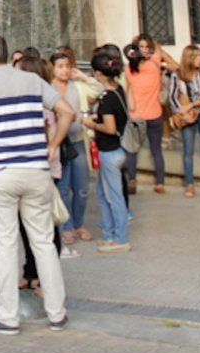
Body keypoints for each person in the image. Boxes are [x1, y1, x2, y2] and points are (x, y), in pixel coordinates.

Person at [0, 34, 72, 335]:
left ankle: (8, 317)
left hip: (1, 173)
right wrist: (54, 145)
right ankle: (57, 313)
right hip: (37, 172)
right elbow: (67, 112)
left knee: (5, 244)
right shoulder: (32, 81)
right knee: (43, 243)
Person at [83, 51, 130, 252]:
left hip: (110, 151)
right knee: (103, 193)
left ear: (98, 74)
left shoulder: (109, 98)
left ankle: (121, 239)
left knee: (114, 196)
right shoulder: (118, 90)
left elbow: (110, 128)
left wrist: (90, 124)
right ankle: (109, 234)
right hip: (112, 150)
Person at [124, 35, 177, 194]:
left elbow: (127, 89)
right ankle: (159, 183)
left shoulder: (129, 67)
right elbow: (175, 66)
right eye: (142, 47)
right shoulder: (155, 61)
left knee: (133, 151)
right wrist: (158, 49)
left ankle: (132, 180)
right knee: (155, 150)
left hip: (139, 115)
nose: (145, 50)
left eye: (147, 47)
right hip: (151, 114)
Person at [51, 52, 92, 247]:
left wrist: (83, 76)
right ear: (52, 68)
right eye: (60, 66)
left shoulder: (77, 86)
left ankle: (78, 223)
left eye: (67, 65)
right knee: (63, 188)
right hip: (59, 144)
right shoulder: (49, 89)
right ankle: (66, 227)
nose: (65, 70)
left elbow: (98, 89)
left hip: (77, 141)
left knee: (82, 188)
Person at [170, 45, 200, 199]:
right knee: (188, 150)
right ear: (189, 58)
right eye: (197, 56)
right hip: (186, 116)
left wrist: (190, 106)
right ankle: (189, 184)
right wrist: (182, 112)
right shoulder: (177, 75)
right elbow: (172, 96)